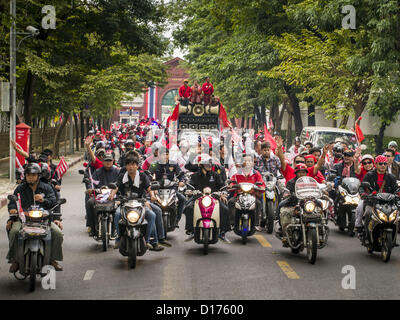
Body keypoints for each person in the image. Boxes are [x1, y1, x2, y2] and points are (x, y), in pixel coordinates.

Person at [6, 163, 64, 272]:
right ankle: (15, 260)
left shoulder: (47, 187)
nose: (31, 177)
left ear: (38, 176)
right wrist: (12, 209)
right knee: (13, 231)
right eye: (28, 175)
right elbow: (13, 202)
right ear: (25, 176)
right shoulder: (20, 188)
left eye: (33, 175)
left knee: (58, 233)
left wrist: (43, 200)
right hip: (23, 219)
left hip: (44, 220)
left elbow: (53, 202)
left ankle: (52, 259)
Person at [184, 154, 231, 243]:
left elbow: (222, 186)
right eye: (207, 164)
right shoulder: (195, 176)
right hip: (198, 198)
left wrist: (223, 193)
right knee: (189, 208)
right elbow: (190, 185)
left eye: (210, 164)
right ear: (201, 165)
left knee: (224, 209)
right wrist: (190, 191)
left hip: (214, 198)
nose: (209, 166)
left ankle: (222, 232)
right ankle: (191, 231)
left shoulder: (215, 175)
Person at [356, 155, 400, 233]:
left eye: (384, 164)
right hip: (372, 200)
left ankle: (394, 235)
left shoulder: (391, 177)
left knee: (396, 214)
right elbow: (362, 187)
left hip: (388, 202)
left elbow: (396, 189)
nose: (383, 165)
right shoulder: (369, 175)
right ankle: (363, 230)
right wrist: (363, 194)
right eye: (380, 164)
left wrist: (397, 194)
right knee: (366, 212)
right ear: (376, 164)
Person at [149, 148, 186, 228]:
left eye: (167, 154)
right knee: (148, 202)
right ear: (159, 155)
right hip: (157, 189)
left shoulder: (174, 164)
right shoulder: (154, 164)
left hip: (172, 189)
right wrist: (151, 185)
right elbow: (148, 175)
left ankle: (176, 220)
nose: (165, 156)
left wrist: (181, 181)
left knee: (182, 199)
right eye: (163, 154)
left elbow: (180, 174)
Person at [86, 152, 120, 236]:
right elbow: (92, 182)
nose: (108, 162)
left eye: (109, 160)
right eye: (106, 160)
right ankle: (92, 227)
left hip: (114, 197)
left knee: (120, 208)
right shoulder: (97, 172)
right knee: (90, 202)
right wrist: (90, 188)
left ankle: (116, 229)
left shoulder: (118, 172)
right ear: (102, 161)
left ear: (113, 161)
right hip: (99, 197)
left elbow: (120, 184)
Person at [229, 154, 265, 232]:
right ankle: (232, 223)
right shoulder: (237, 174)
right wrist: (231, 185)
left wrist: (261, 187)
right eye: (245, 160)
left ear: (253, 163)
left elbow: (262, 184)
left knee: (258, 203)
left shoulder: (256, 173)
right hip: (239, 195)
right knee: (231, 202)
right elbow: (231, 182)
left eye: (249, 161)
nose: (247, 162)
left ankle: (256, 224)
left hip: (252, 196)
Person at [276, 163, 309, 242]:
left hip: (307, 204)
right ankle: (281, 227)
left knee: (320, 205)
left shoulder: (309, 181)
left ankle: (322, 226)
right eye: (300, 172)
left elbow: (315, 188)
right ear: (296, 173)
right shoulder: (291, 182)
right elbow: (286, 192)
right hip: (293, 202)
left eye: (303, 172)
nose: (302, 174)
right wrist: (288, 194)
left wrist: (323, 191)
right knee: (281, 206)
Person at [354, 154, 375, 229]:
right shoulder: (361, 170)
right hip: (365, 194)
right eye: (365, 163)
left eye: (369, 162)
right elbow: (356, 169)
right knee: (360, 207)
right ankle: (358, 224)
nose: (367, 165)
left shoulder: (378, 171)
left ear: (373, 163)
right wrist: (356, 159)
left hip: (377, 195)